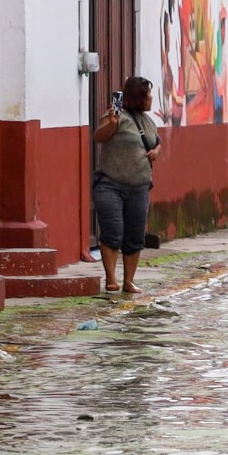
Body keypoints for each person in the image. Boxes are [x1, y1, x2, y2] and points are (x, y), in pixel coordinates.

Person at [92, 76, 160, 294]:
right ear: (138, 97)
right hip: (110, 184)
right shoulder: (115, 116)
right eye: (147, 95)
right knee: (113, 231)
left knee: (135, 235)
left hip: (139, 187)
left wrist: (156, 151)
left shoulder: (148, 121)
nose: (151, 99)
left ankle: (128, 281)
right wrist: (111, 125)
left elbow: (157, 142)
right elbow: (98, 137)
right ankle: (111, 279)